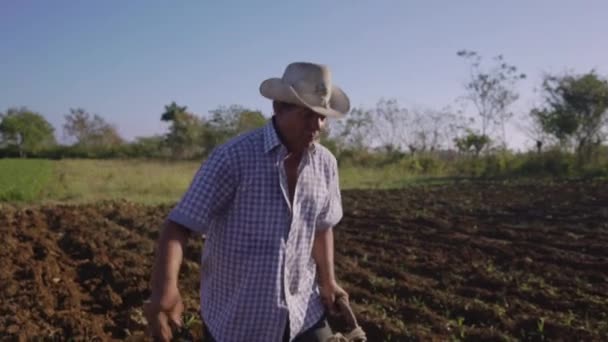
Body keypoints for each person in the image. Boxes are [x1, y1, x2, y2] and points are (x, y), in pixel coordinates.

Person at [144, 62, 351, 342]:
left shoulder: (325, 163)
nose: (317, 126)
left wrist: (328, 282)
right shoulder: (234, 158)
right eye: (308, 114)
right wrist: (165, 291)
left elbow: (322, 227)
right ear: (279, 108)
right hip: (240, 321)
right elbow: (179, 226)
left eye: (323, 117)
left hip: (304, 312)